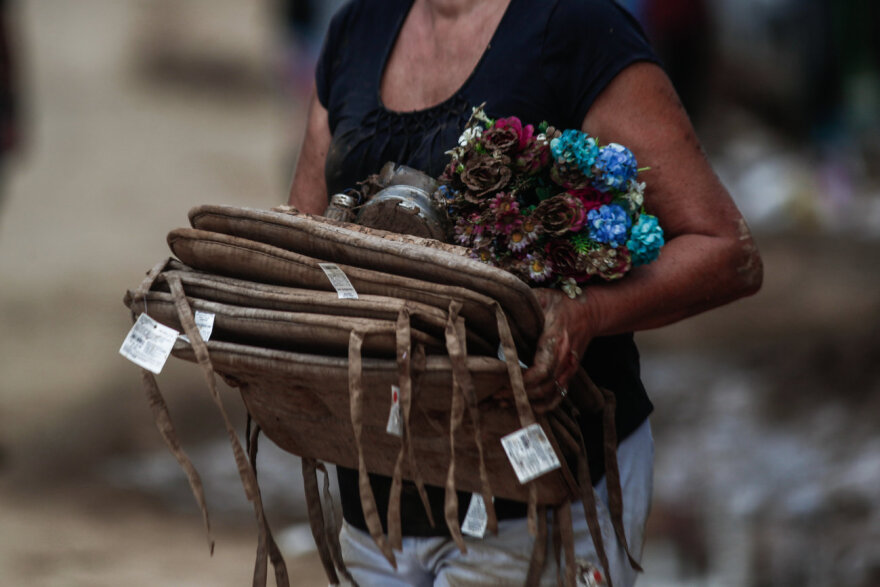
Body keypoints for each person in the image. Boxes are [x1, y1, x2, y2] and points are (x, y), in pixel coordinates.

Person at [287, 0, 763, 585]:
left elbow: (725, 249)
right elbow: (304, 241)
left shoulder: (573, 27)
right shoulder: (358, 28)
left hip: (541, 495)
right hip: (379, 496)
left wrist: (587, 313)